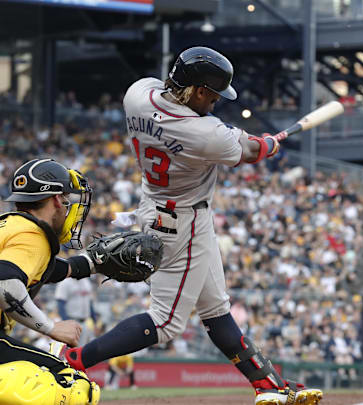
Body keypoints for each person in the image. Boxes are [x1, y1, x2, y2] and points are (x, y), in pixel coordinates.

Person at [64, 46, 322, 405]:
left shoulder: (137, 94)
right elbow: (250, 151)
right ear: (199, 90)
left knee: (216, 307)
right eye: (213, 95)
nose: (215, 103)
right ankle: (76, 360)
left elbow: (197, 118)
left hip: (155, 205)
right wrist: (268, 143)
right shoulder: (205, 133)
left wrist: (252, 141)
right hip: (182, 220)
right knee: (166, 322)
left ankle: (267, 384)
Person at [0, 158, 100, 404]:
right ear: (56, 199)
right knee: (72, 384)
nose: (67, 209)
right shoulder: (33, 234)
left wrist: (87, 265)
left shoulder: (10, 226)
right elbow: (5, 282)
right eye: (66, 202)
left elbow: (43, 269)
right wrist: (51, 327)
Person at [55, 276, 95, 345]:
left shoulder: (86, 281)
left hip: (84, 322)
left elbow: (90, 303)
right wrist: (66, 322)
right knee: (68, 350)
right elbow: (60, 304)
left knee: (81, 350)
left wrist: (94, 321)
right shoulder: (65, 282)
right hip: (71, 321)